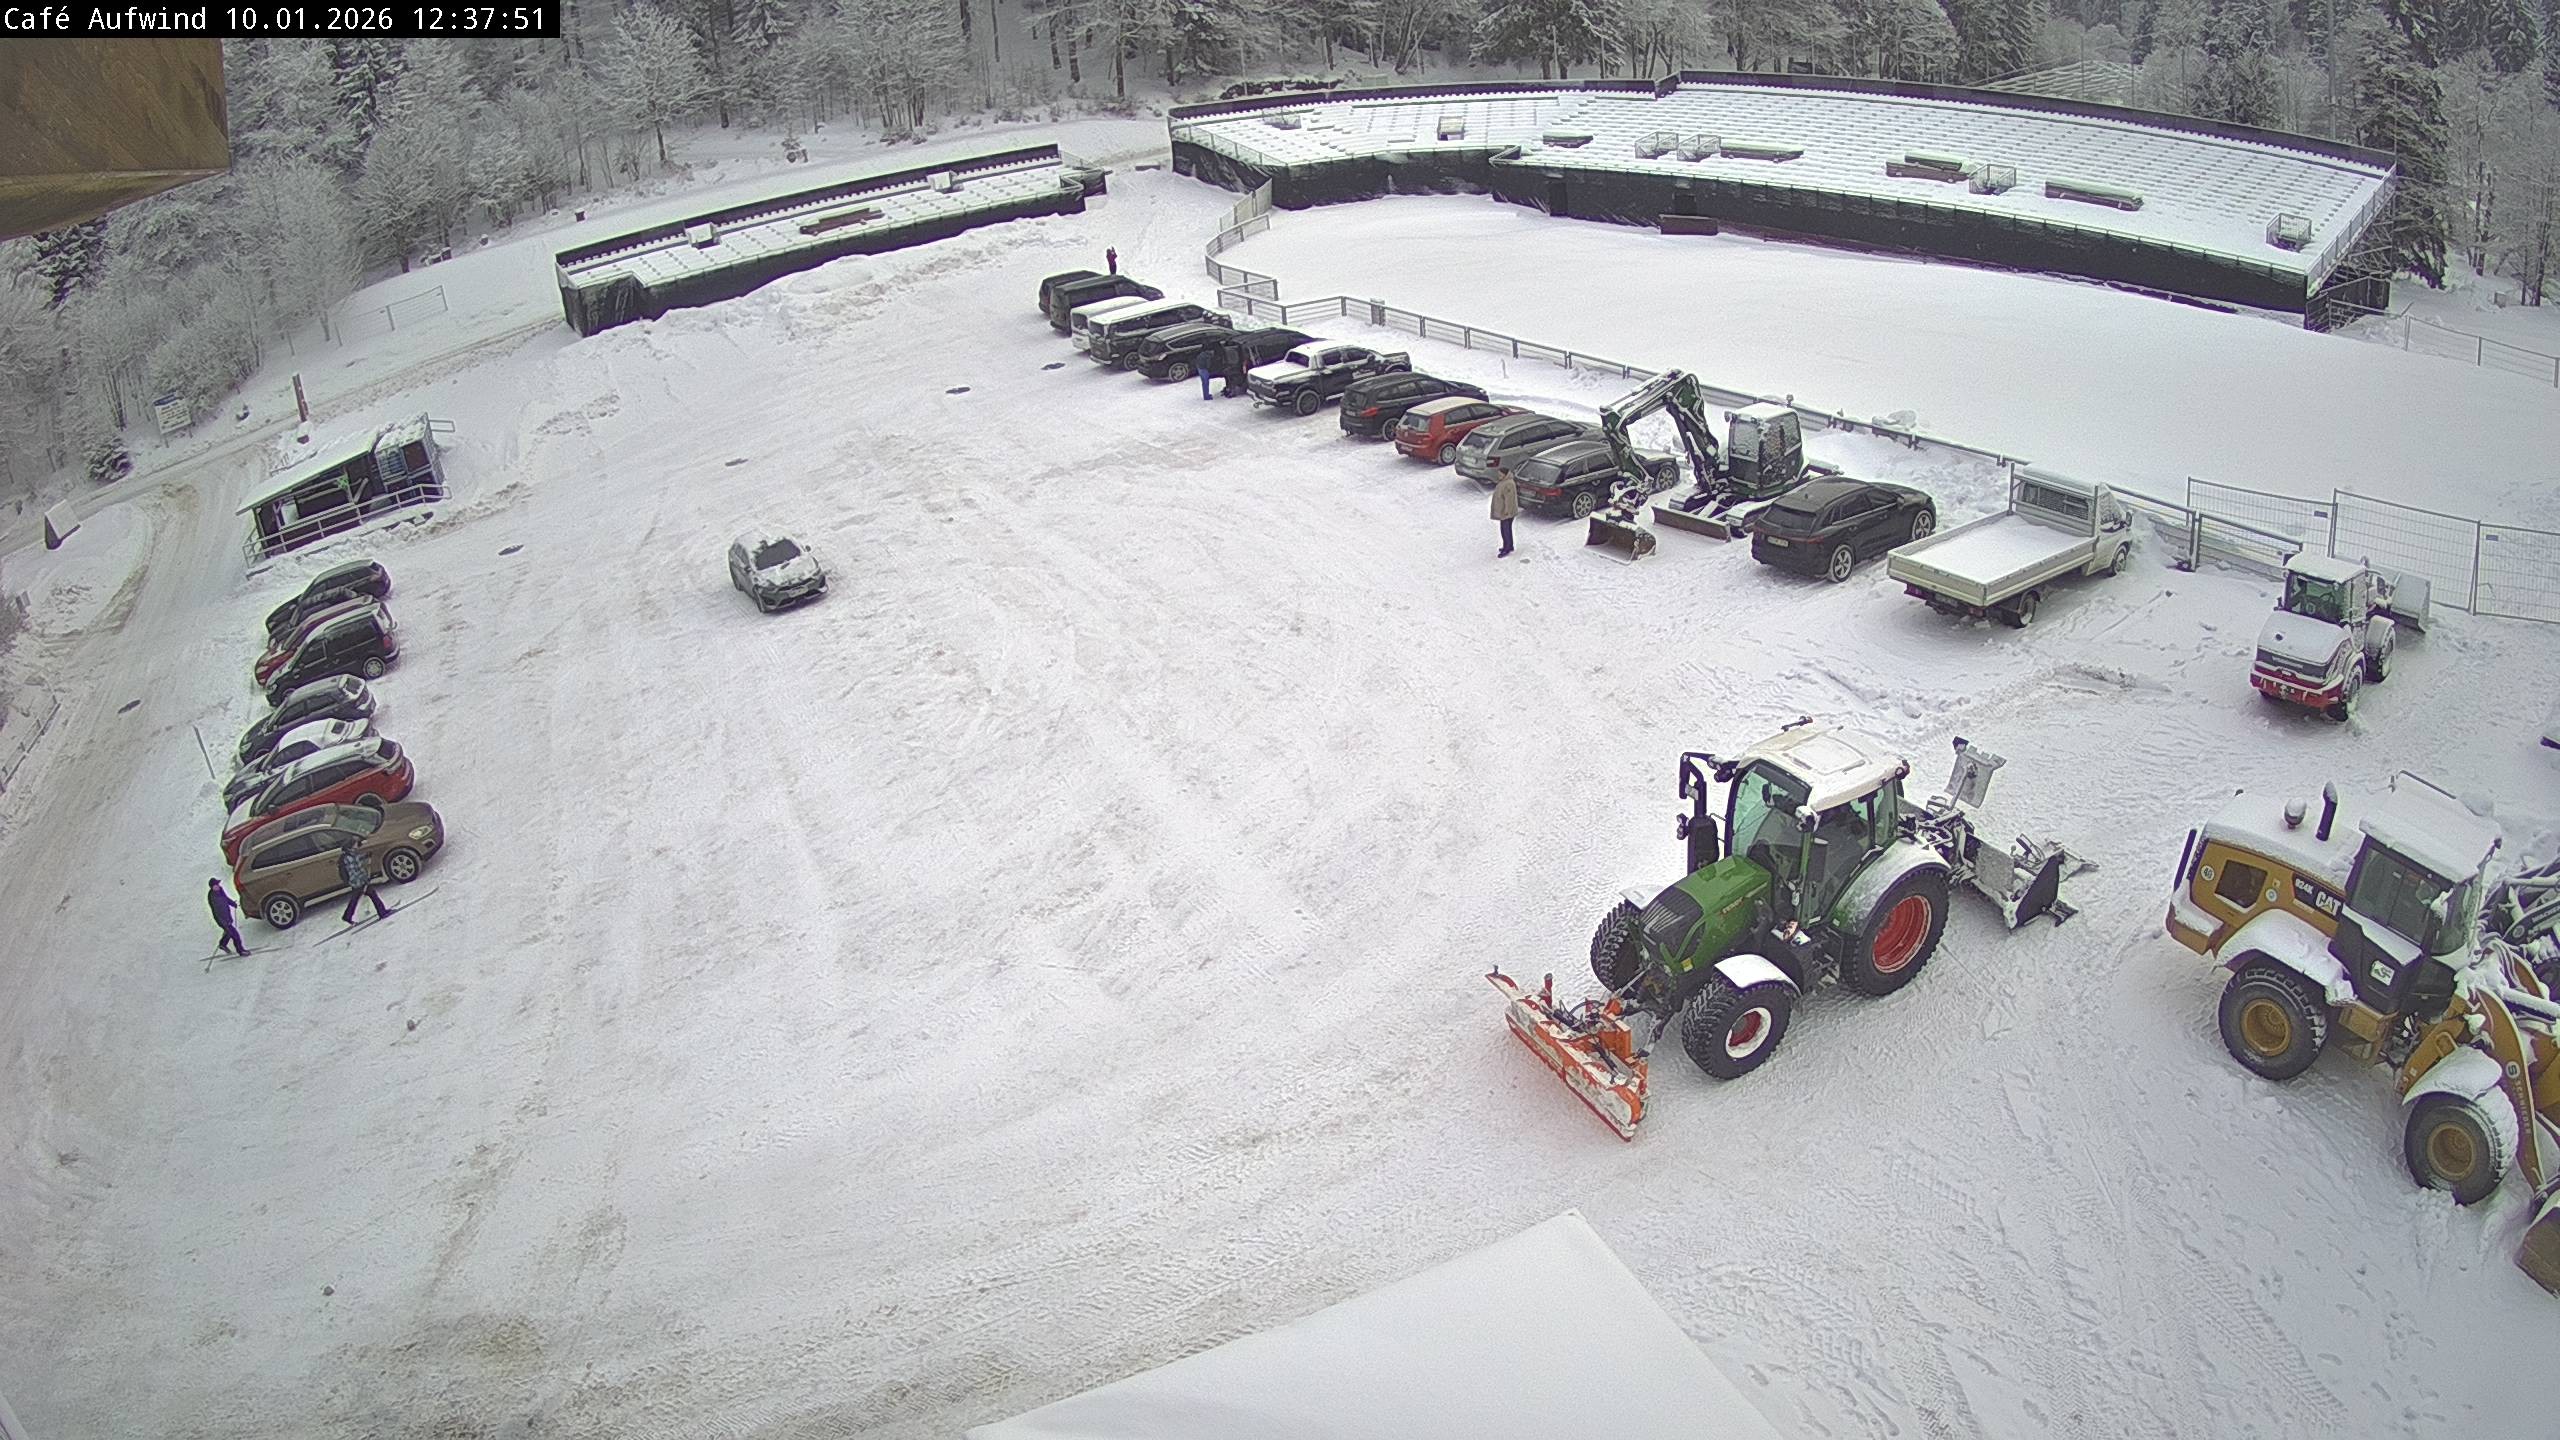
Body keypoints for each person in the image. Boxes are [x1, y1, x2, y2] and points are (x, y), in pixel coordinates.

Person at [339, 838, 390, 924]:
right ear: (351, 845)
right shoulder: (348, 858)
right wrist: (364, 879)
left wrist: (366, 856)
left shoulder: (351, 854)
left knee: (356, 898)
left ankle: (347, 916)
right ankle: (382, 912)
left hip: (358, 881)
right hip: (358, 882)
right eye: (355, 844)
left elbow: (358, 859)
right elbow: (355, 871)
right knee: (371, 895)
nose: (357, 845)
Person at [207, 878, 248, 956]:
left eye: (218, 884)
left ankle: (222, 944)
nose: (218, 886)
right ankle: (241, 951)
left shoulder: (220, 891)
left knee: (229, 933)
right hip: (222, 920)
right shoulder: (213, 898)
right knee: (235, 935)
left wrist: (232, 903)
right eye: (216, 885)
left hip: (227, 917)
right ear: (212, 887)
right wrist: (225, 923)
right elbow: (219, 911)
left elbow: (225, 899)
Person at [1491, 466, 1520, 557]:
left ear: (1505, 474)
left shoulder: (1508, 484)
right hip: (1504, 511)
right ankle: (1509, 546)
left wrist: (1507, 511)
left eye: (1500, 474)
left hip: (1506, 512)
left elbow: (1509, 499)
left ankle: (1506, 548)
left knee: (1505, 530)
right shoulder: (1504, 482)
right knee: (1505, 529)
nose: (1499, 476)